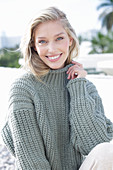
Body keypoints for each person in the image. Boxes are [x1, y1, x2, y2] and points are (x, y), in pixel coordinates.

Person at [1, 6, 113, 170]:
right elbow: (31, 162)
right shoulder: (23, 88)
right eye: (43, 41)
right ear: (34, 46)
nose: (51, 49)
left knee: (106, 152)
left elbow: (94, 145)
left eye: (59, 38)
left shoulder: (85, 87)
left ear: (70, 40)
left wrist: (77, 88)